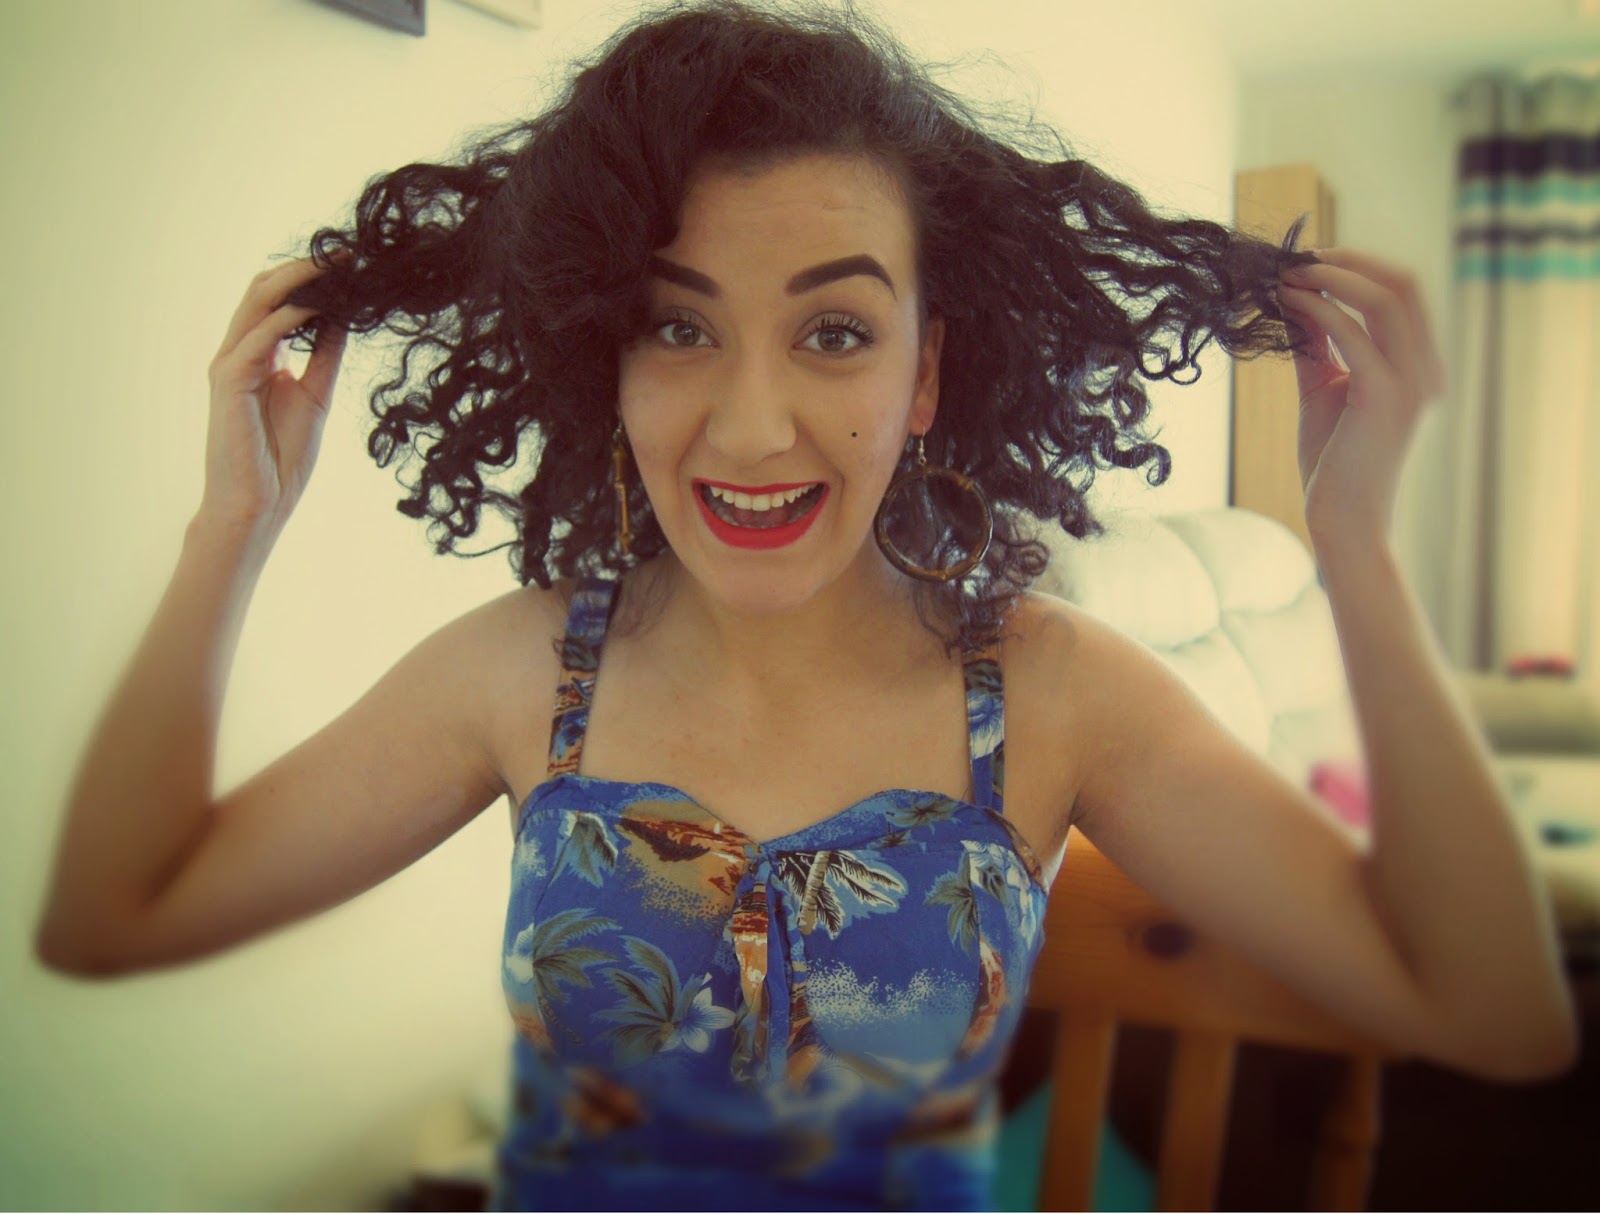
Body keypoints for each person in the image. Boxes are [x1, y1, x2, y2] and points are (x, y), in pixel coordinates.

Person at [35, 1, 1576, 1210]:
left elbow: (1498, 1014)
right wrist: (228, 531)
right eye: (677, 327)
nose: (754, 425)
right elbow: (115, 914)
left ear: (928, 374)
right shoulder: (526, 670)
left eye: (834, 331)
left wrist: (1358, 555)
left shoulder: (1055, 693)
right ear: (603, 356)